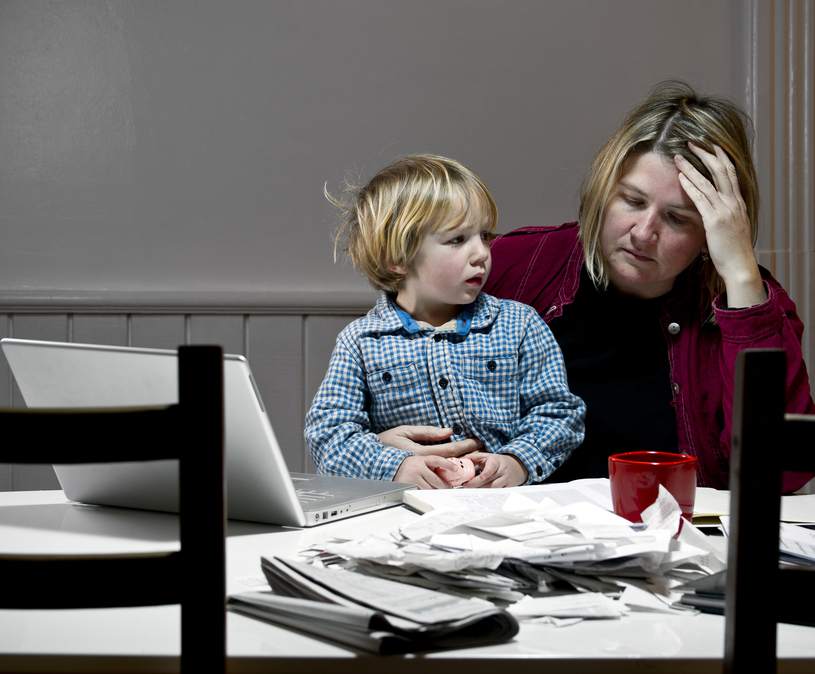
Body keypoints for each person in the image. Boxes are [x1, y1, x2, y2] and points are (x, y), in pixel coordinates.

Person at [482, 81, 814, 493]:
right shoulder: (517, 265)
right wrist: (379, 441)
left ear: (714, 230)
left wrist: (743, 278)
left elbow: (782, 472)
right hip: (515, 534)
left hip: (678, 542)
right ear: (604, 190)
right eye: (633, 201)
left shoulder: (753, 303)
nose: (643, 233)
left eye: (677, 219)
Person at [305, 154, 585, 489]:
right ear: (398, 257)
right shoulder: (361, 341)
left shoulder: (519, 325)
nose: (481, 253)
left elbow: (559, 412)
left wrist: (518, 461)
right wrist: (396, 467)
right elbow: (329, 434)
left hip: (505, 509)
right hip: (404, 511)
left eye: (484, 236)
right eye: (457, 239)